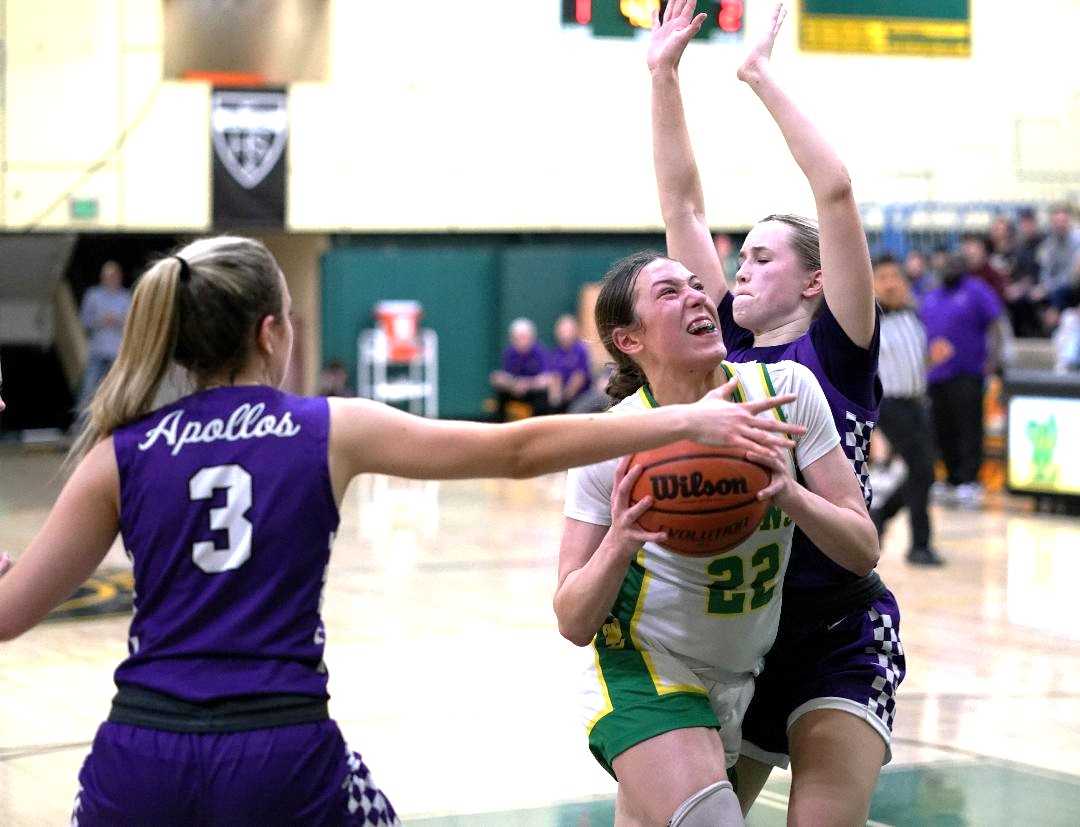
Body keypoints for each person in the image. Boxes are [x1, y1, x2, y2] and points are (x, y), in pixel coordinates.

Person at [0, 236, 800, 825]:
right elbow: (518, 450)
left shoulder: (120, 453)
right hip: (278, 747)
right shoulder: (325, 427)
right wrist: (685, 421)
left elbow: (8, 614)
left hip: (141, 753)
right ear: (273, 334)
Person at [648, 3, 903, 821]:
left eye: (761, 257)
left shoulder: (838, 346)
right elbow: (683, 208)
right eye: (740, 257)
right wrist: (662, 74)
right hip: (746, 633)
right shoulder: (722, 345)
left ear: (814, 280)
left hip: (837, 625)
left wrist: (759, 76)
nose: (739, 270)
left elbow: (834, 189)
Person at [557, 251, 878, 827]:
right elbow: (572, 620)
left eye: (697, 285)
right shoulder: (611, 441)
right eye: (669, 293)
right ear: (629, 340)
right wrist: (621, 541)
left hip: (742, 674)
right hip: (643, 668)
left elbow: (862, 549)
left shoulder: (785, 391)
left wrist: (789, 493)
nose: (698, 297)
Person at [869, 257, 942, 566]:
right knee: (921, 469)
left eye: (895, 276)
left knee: (921, 473)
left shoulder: (913, 316)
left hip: (917, 404)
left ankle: (880, 515)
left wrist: (932, 361)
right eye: (882, 276)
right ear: (871, 283)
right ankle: (919, 545)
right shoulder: (869, 323)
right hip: (890, 405)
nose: (890, 282)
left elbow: (911, 364)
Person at [921, 253, 1005, 509]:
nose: (949, 267)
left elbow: (996, 326)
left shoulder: (977, 291)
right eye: (945, 263)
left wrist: (995, 360)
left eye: (955, 264)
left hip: (968, 372)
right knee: (942, 429)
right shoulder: (931, 296)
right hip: (936, 375)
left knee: (969, 428)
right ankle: (951, 479)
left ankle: (971, 481)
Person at [78, 260, 132, 413]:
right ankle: (81, 425)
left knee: (120, 388)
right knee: (89, 388)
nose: (111, 278)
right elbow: (84, 321)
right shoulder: (92, 295)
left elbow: (132, 323)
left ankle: (120, 420)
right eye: (108, 276)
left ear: (119, 277)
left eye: (114, 275)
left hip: (117, 351)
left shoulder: (126, 297)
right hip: (98, 350)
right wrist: (100, 321)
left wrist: (118, 321)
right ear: (102, 277)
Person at [489, 317, 554, 420]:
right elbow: (502, 376)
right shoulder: (509, 353)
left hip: (533, 392)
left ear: (532, 337)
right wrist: (512, 384)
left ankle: (537, 427)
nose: (521, 341)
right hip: (514, 389)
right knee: (500, 392)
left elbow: (547, 379)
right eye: (517, 338)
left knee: (543, 397)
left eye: (524, 337)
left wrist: (528, 384)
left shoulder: (540, 352)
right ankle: (500, 426)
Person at [549, 314, 596, 413]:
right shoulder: (557, 352)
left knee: (573, 410)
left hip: (582, 394)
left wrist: (564, 398)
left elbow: (579, 377)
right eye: (561, 331)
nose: (564, 334)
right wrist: (555, 398)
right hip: (563, 395)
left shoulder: (581, 350)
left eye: (567, 331)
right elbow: (555, 376)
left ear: (575, 331)